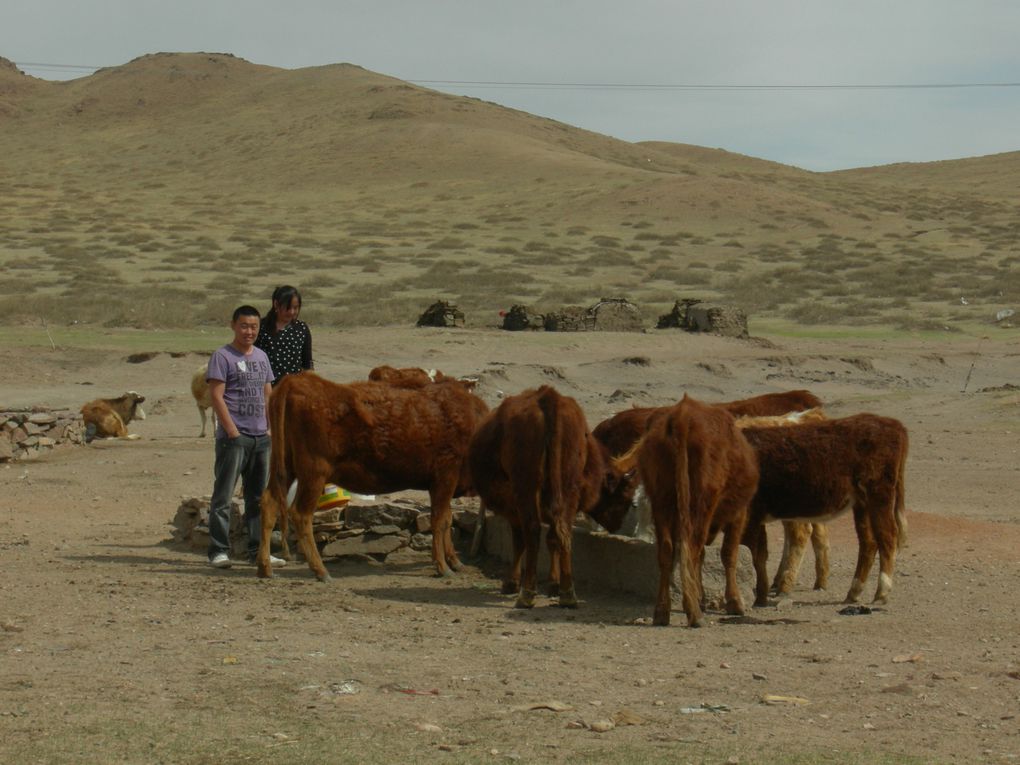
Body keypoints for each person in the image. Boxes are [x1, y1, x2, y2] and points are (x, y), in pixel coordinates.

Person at [206, 305, 285, 569]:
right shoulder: (222, 356)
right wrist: (231, 430)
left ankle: (258, 551)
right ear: (233, 326)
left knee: (258, 497)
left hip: (261, 437)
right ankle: (218, 551)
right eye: (244, 326)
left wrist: (271, 428)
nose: (248, 331)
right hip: (234, 437)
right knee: (223, 495)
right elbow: (216, 396)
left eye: (253, 327)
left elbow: (268, 394)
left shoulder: (262, 357)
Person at [255, 285, 313, 386]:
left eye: (295, 308)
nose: (292, 312)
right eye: (288, 307)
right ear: (276, 304)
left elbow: (307, 363)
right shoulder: (260, 327)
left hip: (294, 389)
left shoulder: (302, 328)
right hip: (265, 388)